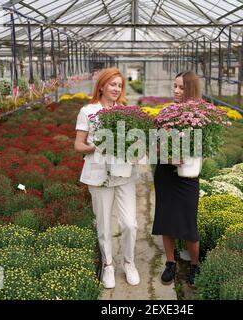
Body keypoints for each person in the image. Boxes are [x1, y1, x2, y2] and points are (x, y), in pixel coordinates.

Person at [74, 68, 140, 289]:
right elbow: (78, 145)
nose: (116, 89)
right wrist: (95, 147)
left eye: (119, 85)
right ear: (101, 86)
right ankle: (108, 265)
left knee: (130, 224)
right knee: (103, 224)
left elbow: (136, 143)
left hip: (124, 174)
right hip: (99, 174)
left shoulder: (126, 112)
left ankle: (129, 263)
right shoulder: (88, 111)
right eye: (112, 84)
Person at [152, 71, 201, 287]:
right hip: (165, 173)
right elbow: (155, 145)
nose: (176, 91)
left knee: (189, 222)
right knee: (166, 219)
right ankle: (170, 263)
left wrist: (190, 157)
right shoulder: (166, 113)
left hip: (188, 175)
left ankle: (194, 265)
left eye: (181, 87)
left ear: (191, 89)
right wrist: (168, 157)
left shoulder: (200, 114)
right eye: (174, 86)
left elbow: (204, 147)